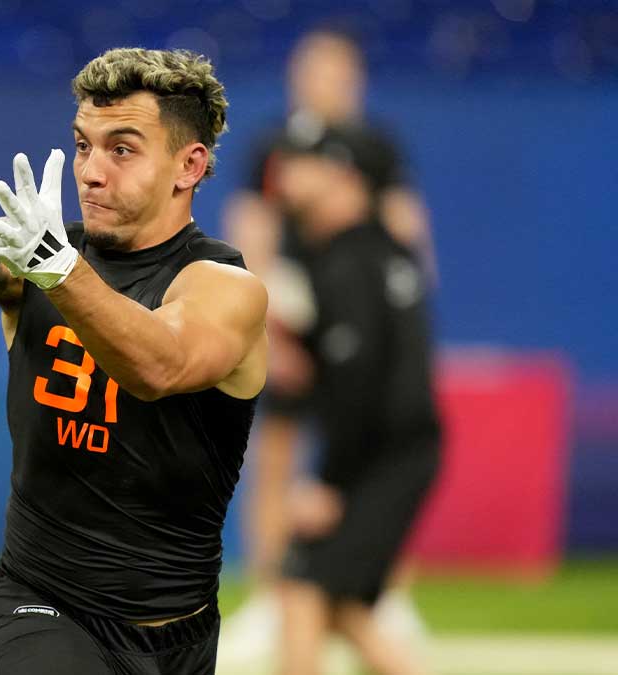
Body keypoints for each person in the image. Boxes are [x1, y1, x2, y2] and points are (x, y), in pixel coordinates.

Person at [0, 48, 267, 675]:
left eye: (121, 149)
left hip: (179, 633)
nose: (91, 172)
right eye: (82, 146)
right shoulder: (32, 260)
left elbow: (159, 366)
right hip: (40, 607)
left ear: (189, 164)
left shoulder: (225, 287)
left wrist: (59, 270)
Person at [220, 28, 435, 659]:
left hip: (353, 323)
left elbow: (406, 228)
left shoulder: (373, 147)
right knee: (277, 456)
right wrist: (264, 325)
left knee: (371, 444)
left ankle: (377, 585)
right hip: (298, 323)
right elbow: (251, 227)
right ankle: (270, 591)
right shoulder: (275, 144)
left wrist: (406, 314)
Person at [271, 127, 441, 675]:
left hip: (380, 456)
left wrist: (330, 480)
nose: (292, 176)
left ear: (344, 178)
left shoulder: (346, 262)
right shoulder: (386, 251)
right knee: (334, 602)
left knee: (303, 588)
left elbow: (360, 382)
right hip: (400, 446)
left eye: (307, 165)